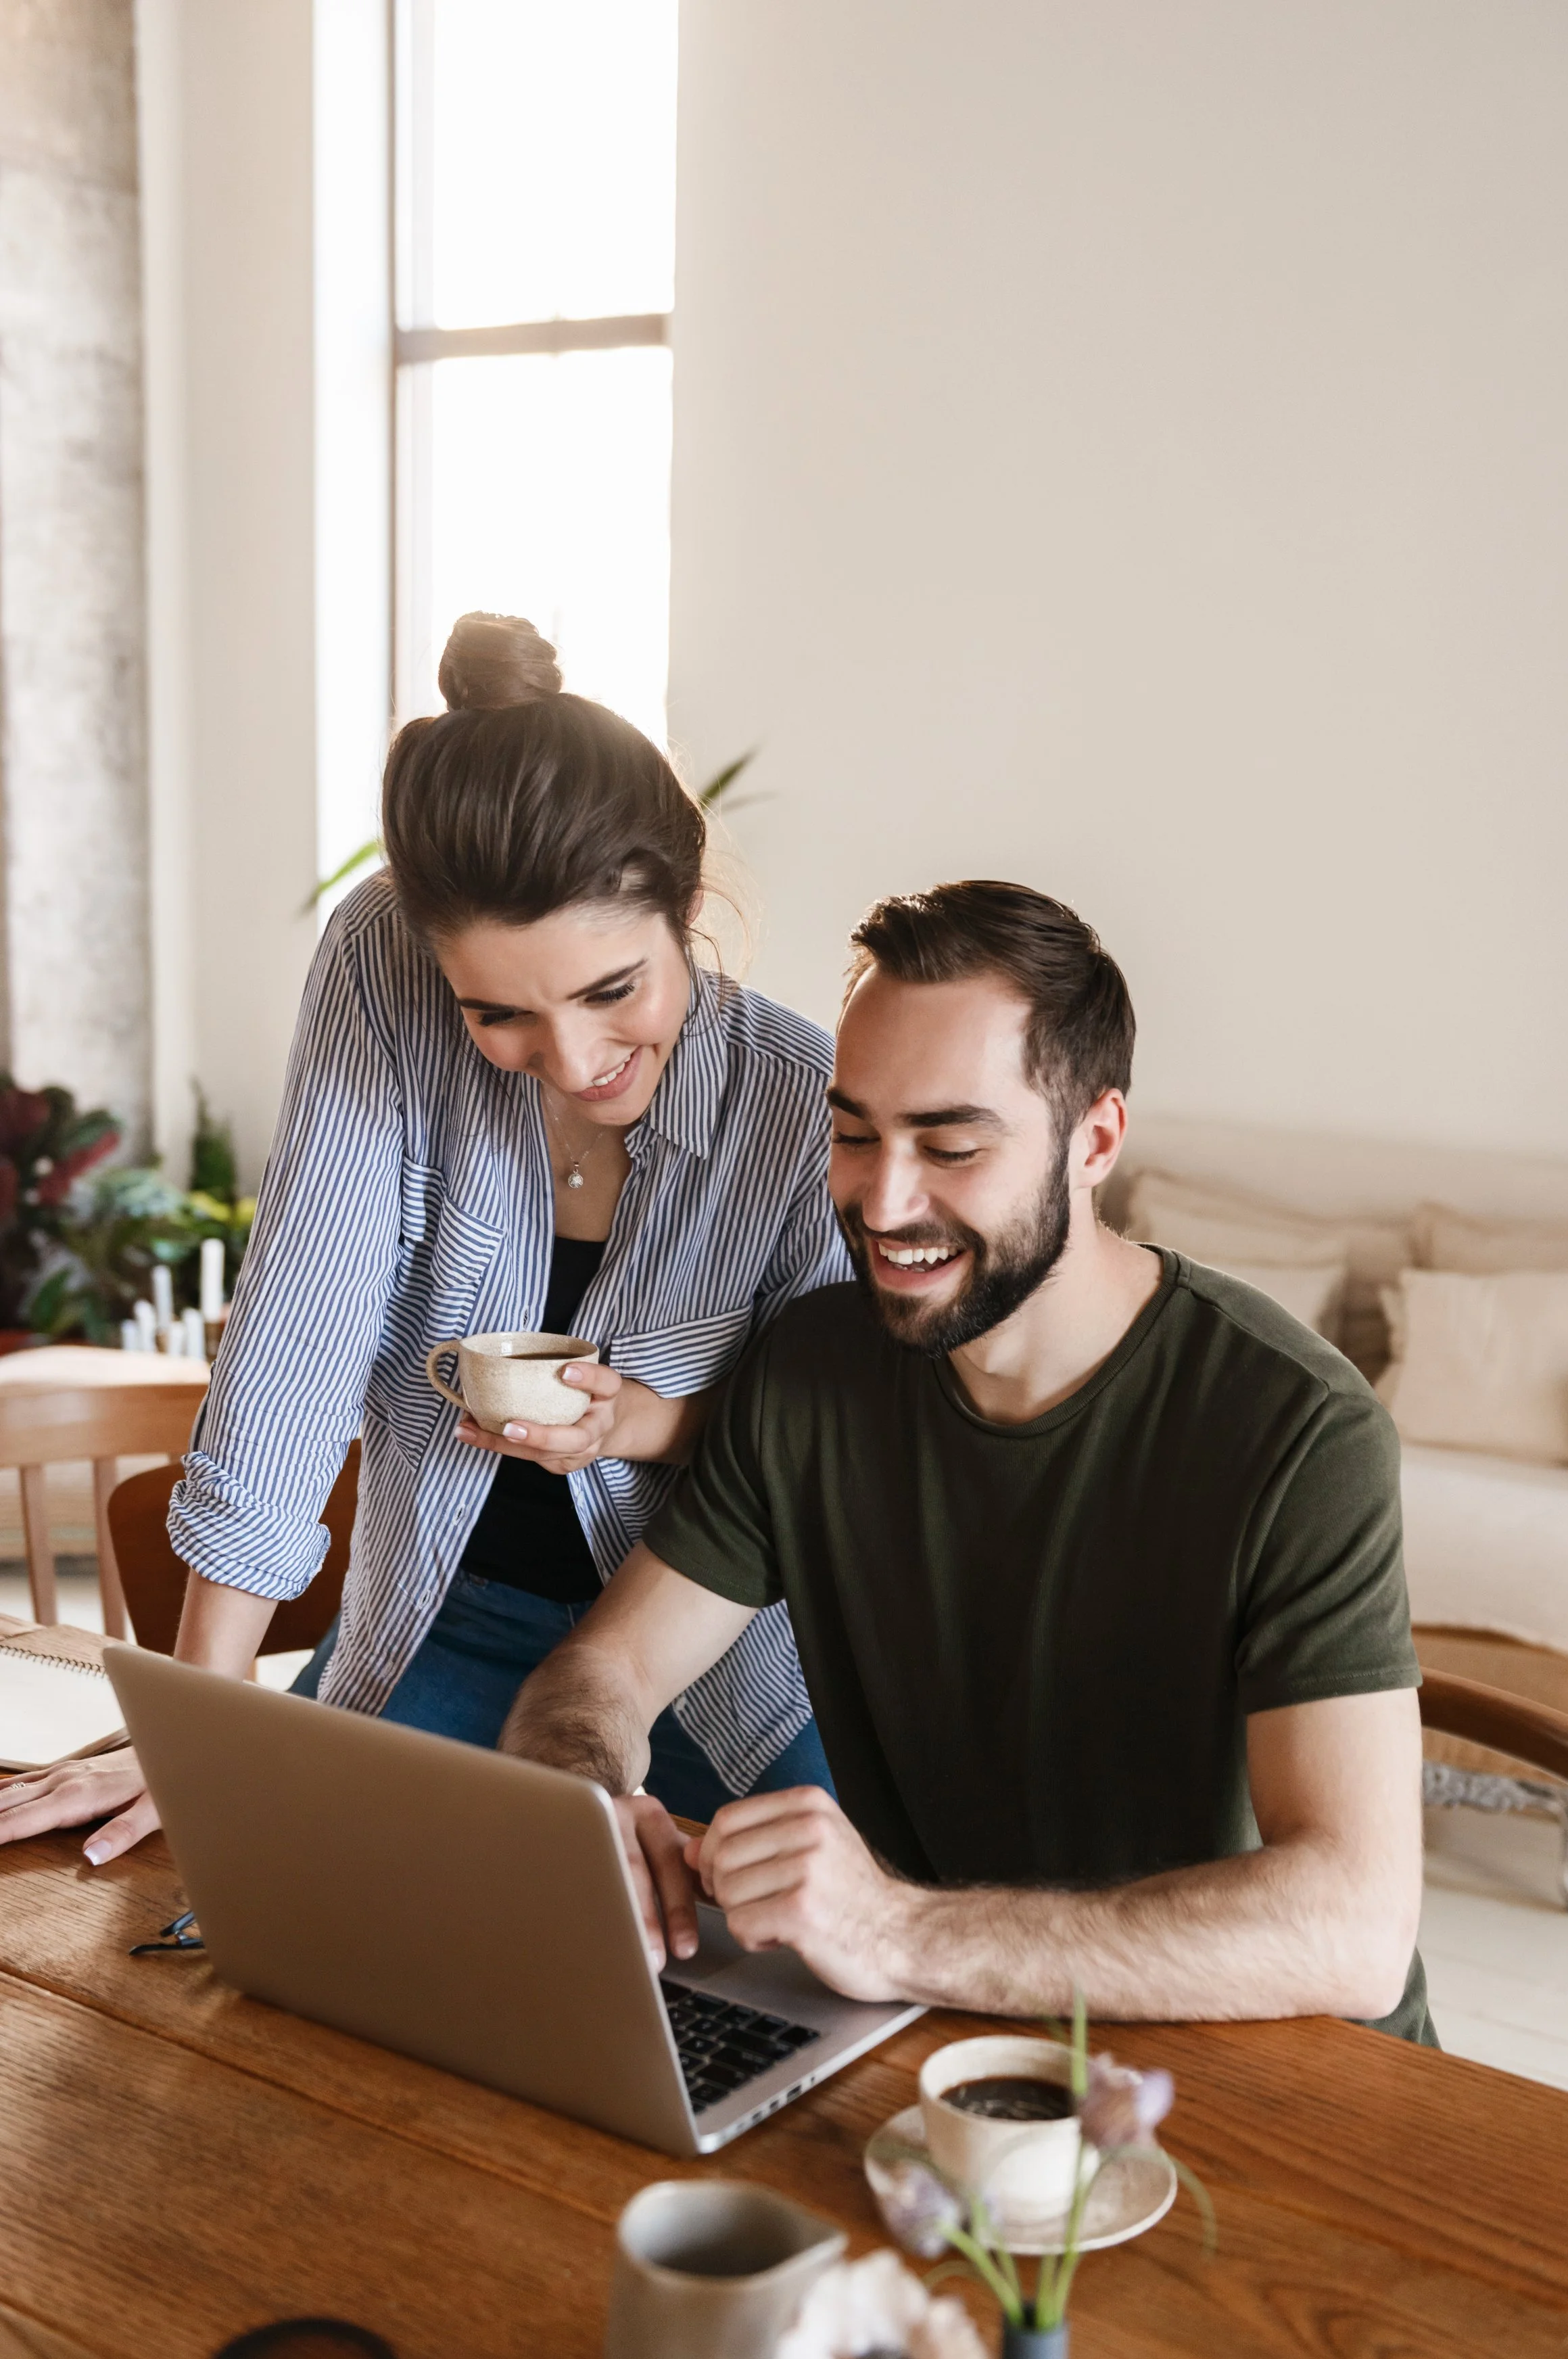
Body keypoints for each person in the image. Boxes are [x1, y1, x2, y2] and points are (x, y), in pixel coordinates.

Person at [497, 880, 1431, 2036]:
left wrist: (896, 1931)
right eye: (852, 1135)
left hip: (1261, 2063)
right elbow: (601, 1676)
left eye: (949, 1144)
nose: (884, 1201)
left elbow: (1355, 1926)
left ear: (1095, 1139)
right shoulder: (810, 1375)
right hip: (959, 2037)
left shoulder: (1299, 1429)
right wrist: (592, 1804)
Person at [0, 613, 850, 1866]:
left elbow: (825, 1447)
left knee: (770, 1988)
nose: (573, 1061)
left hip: (713, 1659)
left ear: (690, 905)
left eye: (614, 991)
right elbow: (297, 1338)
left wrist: (638, 1422)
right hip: (438, 1620)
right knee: (297, 1922)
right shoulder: (381, 966)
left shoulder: (798, 1096)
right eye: (498, 1012)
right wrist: (201, 1724)